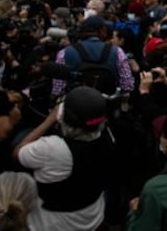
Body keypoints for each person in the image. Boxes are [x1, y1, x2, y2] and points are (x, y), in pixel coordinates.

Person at [14, 86, 115, 231]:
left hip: (52, 224)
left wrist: (49, 121)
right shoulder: (108, 139)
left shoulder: (51, 148)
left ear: (62, 117)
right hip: (92, 216)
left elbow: (17, 153)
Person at [52, 15, 134, 97]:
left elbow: (58, 90)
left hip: (75, 105)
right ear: (102, 31)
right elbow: (128, 85)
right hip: (106, 105)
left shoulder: (64, 53)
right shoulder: (117, 52)